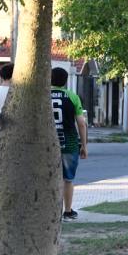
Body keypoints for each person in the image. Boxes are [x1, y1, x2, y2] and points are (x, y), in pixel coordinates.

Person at [50, 67, 88, 221]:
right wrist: (84, 145)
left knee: (50, 178)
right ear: (65, 81)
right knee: (68, 179)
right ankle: (67, 211)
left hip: (47, 144)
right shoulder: (72, 96)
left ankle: (51, 211)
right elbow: (81, 123)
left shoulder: (43, 96)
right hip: (69, 143)